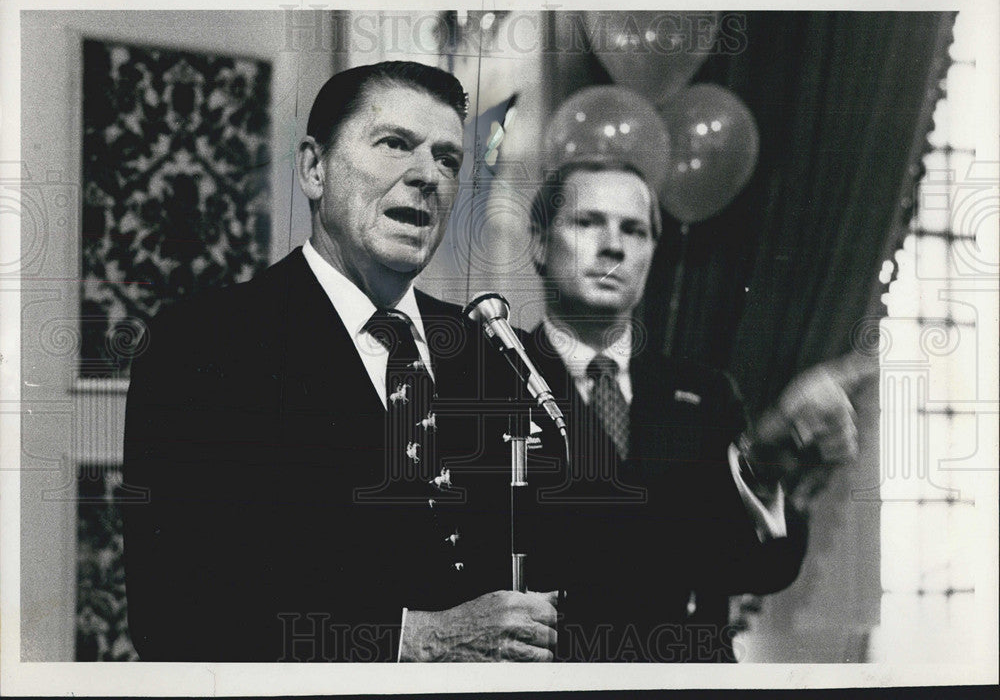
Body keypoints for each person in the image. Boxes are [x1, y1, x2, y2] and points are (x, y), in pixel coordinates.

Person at [123, 62, 559, 663]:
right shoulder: (202, 347)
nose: (426, 175)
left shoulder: (486, 346)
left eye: (447, 159)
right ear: (313, 168)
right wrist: (413, 640)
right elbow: (174, 614)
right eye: (394, 145)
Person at [521, 159, 860, 662]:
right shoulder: (491, 381)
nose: (613, 246)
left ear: (652, 255)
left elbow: (761, 570)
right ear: (540, 243)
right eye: (588, 222)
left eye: (634, 230)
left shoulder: (704, 394)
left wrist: (767, 472)